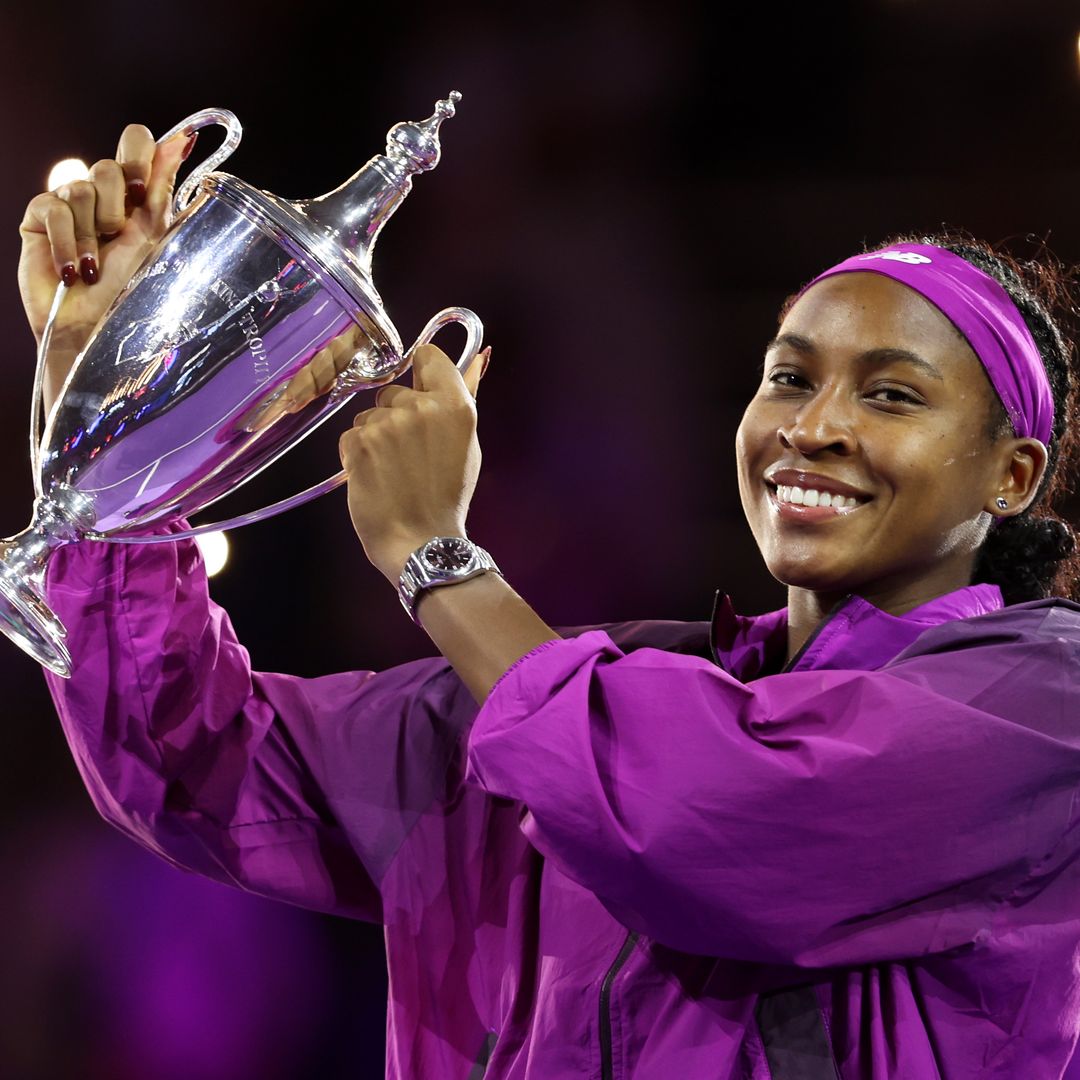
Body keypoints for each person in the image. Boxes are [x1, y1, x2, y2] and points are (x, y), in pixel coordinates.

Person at [20, 126, 1080, 1079]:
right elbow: (200, 763)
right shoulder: (600, 683)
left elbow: (700, 817)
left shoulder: (1042, 712)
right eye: (789, 378)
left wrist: (438, 559)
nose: (815, 426)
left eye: (890, 394)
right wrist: (120, 406)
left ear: (1012, 476)